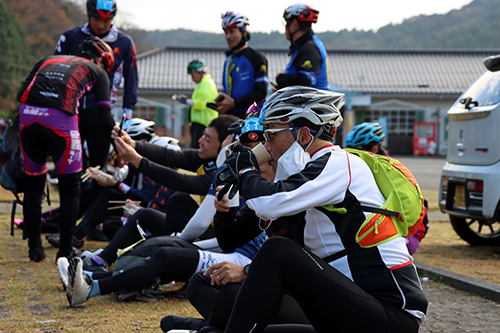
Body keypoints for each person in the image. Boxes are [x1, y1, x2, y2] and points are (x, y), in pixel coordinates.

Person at [212, 86, 428, 333]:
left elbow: (268, 203)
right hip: (354, 308)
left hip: (390, 315)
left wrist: (246, 169)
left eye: (270, 135)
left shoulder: (338, 164)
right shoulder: (316, 176)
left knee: (278, 251)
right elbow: (259, 220)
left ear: (303, 136)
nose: (266, 145)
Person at [77, 115, 238, 272]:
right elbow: (171, 156)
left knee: (179, 200)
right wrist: (133, 144)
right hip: (203, 233)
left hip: (219, 242)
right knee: (154, 212)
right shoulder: (210, 160)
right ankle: (102, 259)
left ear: (225, 147)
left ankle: (142, 260)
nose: (200, 141)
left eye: (208, 139)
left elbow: (182, 181)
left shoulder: (229, 172)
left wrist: (136, 160)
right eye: (203, 135)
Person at [18, 36, 115, 262]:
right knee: (70, 188)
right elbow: (103, 112)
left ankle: (34, 249)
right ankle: (65, 251)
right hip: (60, 119)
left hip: (28, 115)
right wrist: (117, 135)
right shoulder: (97, 71)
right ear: (101, 59)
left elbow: (21, 92)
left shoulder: (47, 59)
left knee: (33, 186)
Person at [55, 0, 138, 196]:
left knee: (99, 168)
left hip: (102, 113)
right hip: (71, 112)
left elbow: (132, 77)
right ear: (87, 14)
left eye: (107, 20)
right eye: (96, 19)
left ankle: (91, 217)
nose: (101, 25)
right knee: (71, 167)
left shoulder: (124, 42)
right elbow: (57, 69)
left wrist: (128, 111)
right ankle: (70, 211)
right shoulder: (70, 37)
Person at [46, 118, 160, 249]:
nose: (119, 149)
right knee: (92, 189)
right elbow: (126, 186)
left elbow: (145, 197)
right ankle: (64, 229)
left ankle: (76, 235)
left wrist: (115, 183)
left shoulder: (149, 165)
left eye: (124, 144)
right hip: (132, 206)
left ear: (142, 142)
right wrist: (107, 179)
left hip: (143, 210)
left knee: (109, 199)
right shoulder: (134, 163)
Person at [345, 122, 429, 255]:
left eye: (357, 150)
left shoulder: (390, 171)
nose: (350, 155)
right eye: (348, 150)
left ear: (374, 150)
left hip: (406, 235)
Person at [216, 12, 269, 119]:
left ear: (244, 32)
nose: (228, 36)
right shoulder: (229, 60)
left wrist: (235, 103)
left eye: (232, 31)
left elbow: (261, 93)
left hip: (251, 117)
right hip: (230, 117)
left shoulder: (256, 57)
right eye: (225, 32)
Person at [275, 3, 330, 91]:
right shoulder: (302, 46)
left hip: (313, 103)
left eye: (287, 23)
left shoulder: (309, 48)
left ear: (294, 24)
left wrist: (280, 77)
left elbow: (305, 81)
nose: (285, 27)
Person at [174, 59, 219, 148]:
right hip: (199, 124)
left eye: (193, 75)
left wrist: (185, 101)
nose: (192, 78)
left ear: (200, 72)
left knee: (200, 151)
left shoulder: (206, 84)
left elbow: (201, 104)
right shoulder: (202, 84)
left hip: (204, 124)